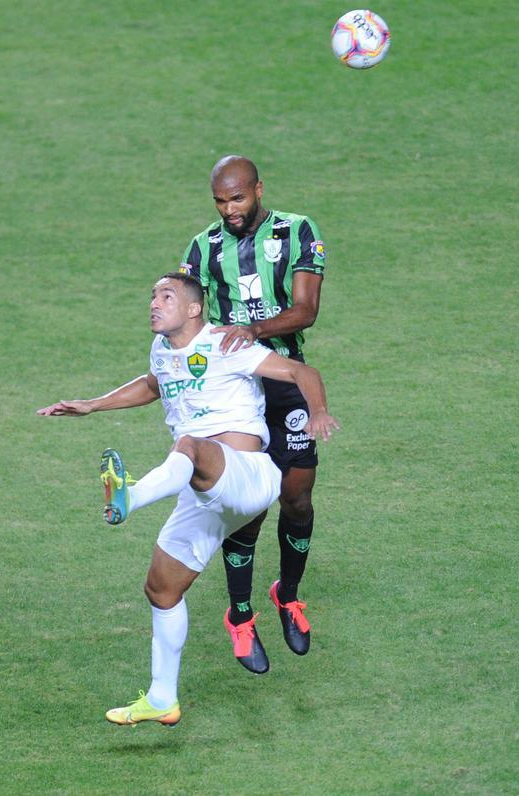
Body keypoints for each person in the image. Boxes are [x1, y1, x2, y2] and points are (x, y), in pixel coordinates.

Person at [37, 272, 339, 726]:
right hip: (207, 495)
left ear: (194, 309)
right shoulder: (162, 351)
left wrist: (317, 411)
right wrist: (92, 405)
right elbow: (153, 383)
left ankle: (131, 497)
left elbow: (301, 371)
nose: (154, 304)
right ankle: (162, 697)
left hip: (248, 475)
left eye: (166, 296)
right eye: (152, 297)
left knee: (190, 445)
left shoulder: (225, 344)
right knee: (161, 589)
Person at [178, 155, 327, 672]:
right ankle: (240, 615)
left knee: (298, 495)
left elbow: (306, 310)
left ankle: (287, 594)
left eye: (237, 199)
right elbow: (187, 314)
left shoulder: (297, 231)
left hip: (283, 375)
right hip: (231, 389)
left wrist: (253, 332)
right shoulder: (201, 248)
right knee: (247, 506)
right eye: (220, 201)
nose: (229, 210)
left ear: (258, 189)